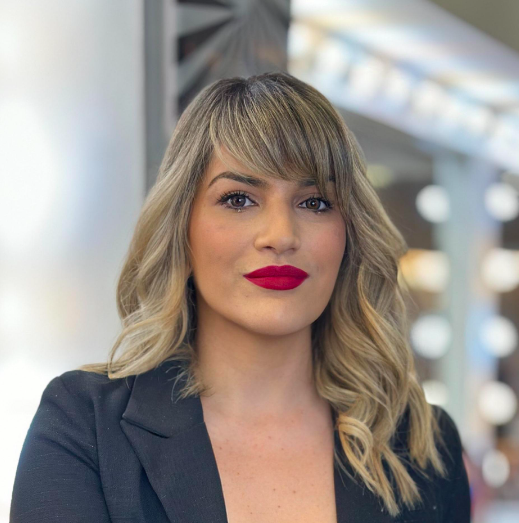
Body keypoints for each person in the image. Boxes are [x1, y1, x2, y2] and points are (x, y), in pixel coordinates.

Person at [10, 71, 471, 523]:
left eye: (315, 202)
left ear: (349, 232)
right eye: (238, 199)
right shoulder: (85, 423)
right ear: (182, 226)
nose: (281, 235)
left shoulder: (423, 446)